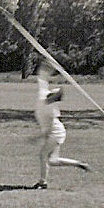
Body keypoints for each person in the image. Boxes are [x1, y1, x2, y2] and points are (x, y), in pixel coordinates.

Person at [33, 59, 89, 189]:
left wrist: (37, 138)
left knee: (43, 155)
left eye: (53, 96)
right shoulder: (44, 94)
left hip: (56, 133)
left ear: (53, 99)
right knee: (53, 160)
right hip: (55, 132)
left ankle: (43, 182)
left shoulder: (51, 110)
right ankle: (79, 164)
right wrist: (47, 67)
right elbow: (42, 78)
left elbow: (49, 131)